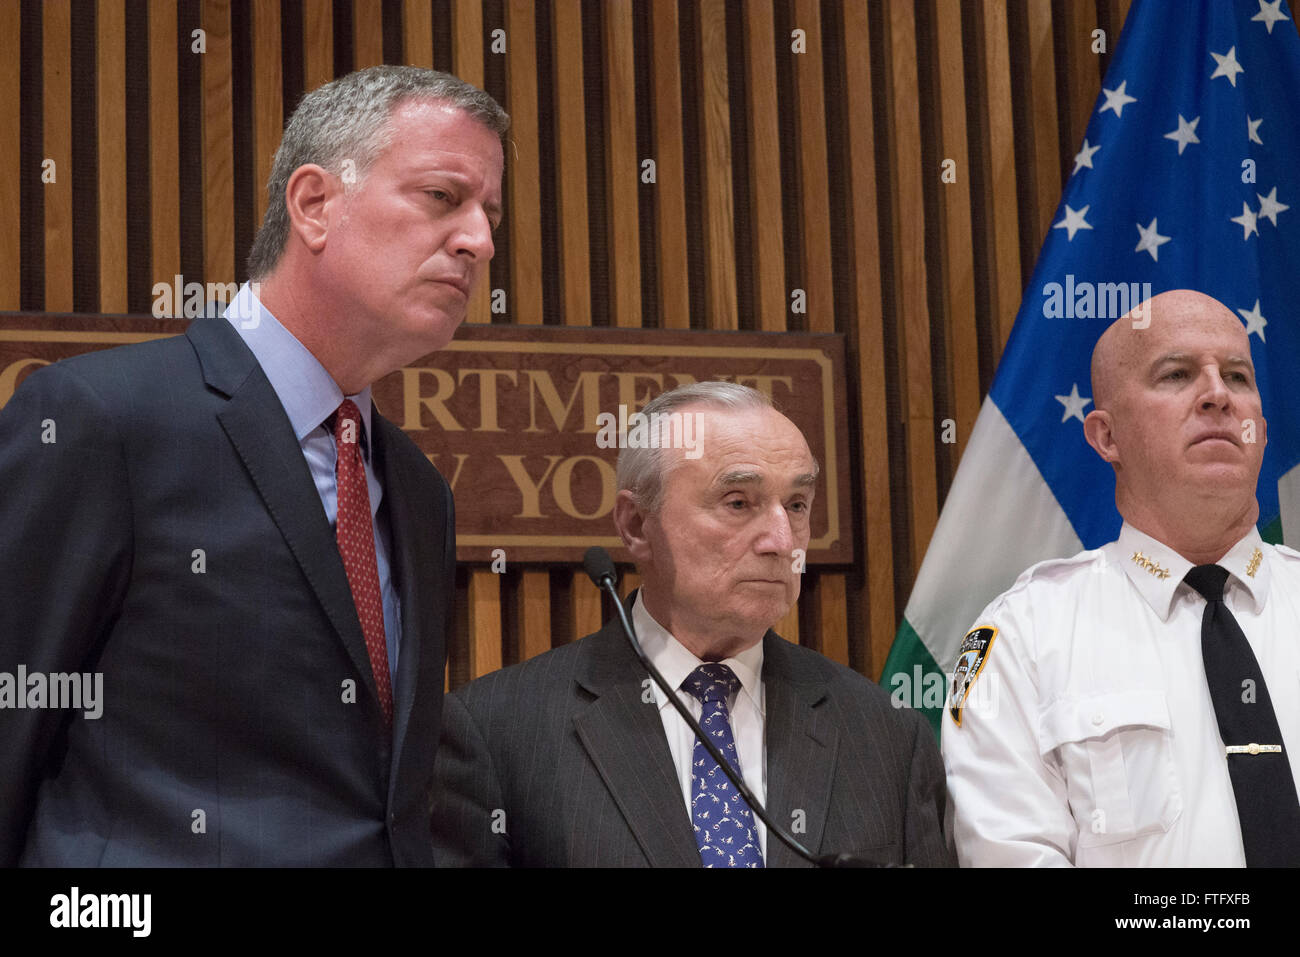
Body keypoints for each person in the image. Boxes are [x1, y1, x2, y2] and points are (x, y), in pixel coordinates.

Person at [0, 65, 507, 866]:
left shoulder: (416, 489)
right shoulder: (103, 420)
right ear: (314, 204)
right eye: (444, 197)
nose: (479, 240)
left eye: (488, 213)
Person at [430, 382, 953, 867]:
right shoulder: (497, 731)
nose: (781, 540)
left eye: (796, 504)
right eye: (737, 503)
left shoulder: (888, 734)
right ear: (637, 526)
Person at [942, 289, 1300, 867]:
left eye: (1237, 376)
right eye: (1177, 375)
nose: (1217, 395)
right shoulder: (1023, 637)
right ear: (1107, 436)